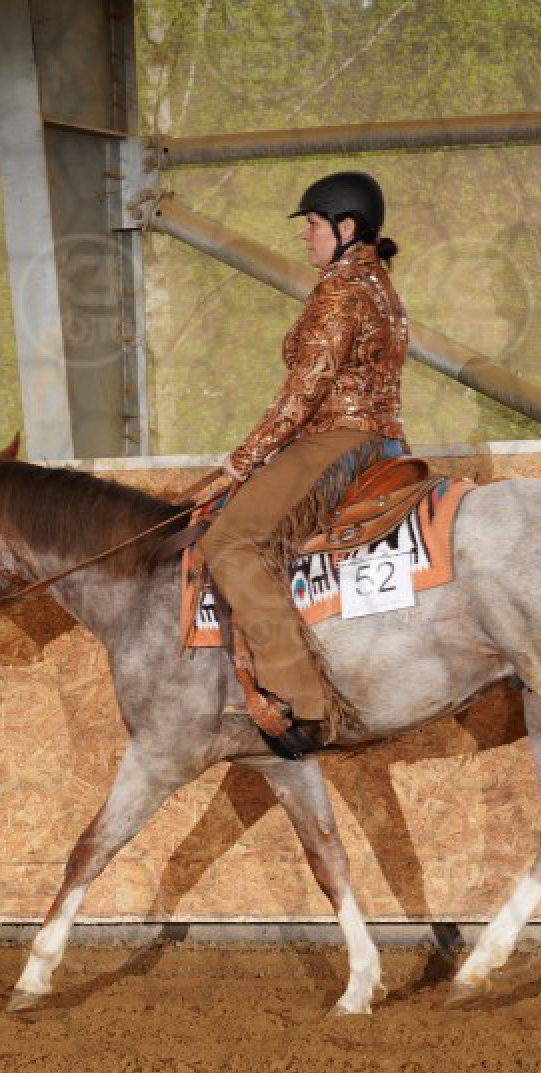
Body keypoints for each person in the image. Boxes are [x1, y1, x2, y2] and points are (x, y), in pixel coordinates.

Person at [198, 170, 410, 760]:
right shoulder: (378, 284)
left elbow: (306, 388)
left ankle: (303, 700)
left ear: (346, 227)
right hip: (385, 440)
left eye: (313, 224)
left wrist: (245, 457)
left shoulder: (341, 292)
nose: (304, 235)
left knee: (229, 542)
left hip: (338, 441)